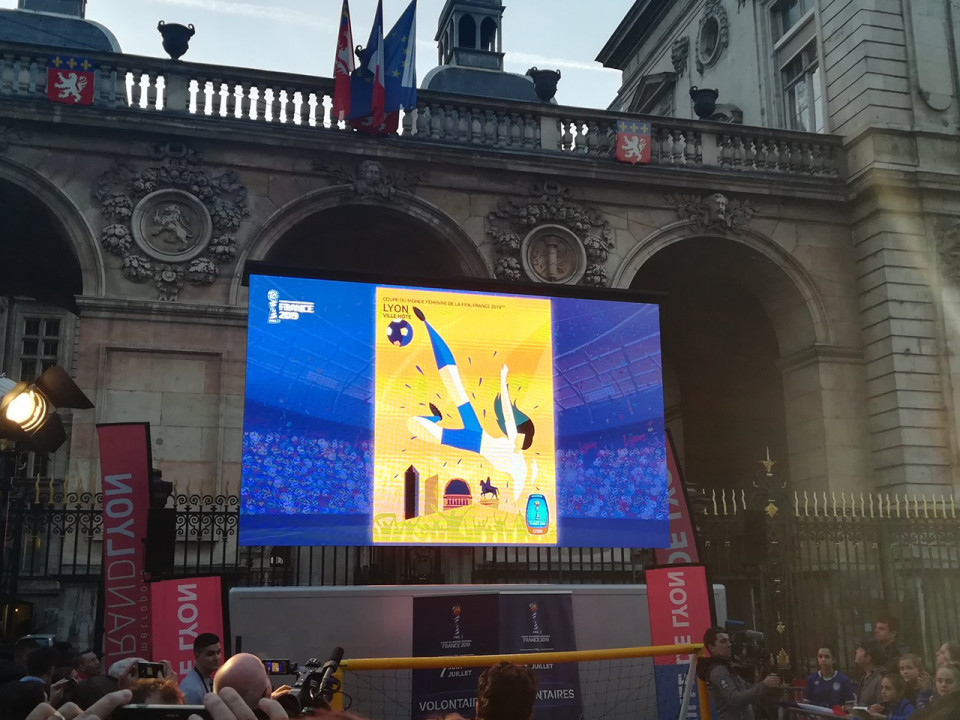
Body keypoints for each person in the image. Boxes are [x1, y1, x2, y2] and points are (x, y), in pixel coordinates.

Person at [409, 307, 537, 504]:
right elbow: (507, 413)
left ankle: (436, 418)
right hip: (476, 431)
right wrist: (503, 380)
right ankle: (427, 324)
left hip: (471, 442)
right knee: (454, 381)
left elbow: (520, 488)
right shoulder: (512, 439)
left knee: (413, 423)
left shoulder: (519, 468)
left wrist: (523, 487)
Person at [696, 627, 780, 720]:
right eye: (723, 641)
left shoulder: (727, 667)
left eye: (728, 641)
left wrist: (764, 671)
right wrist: (763, 685)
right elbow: (735, 699)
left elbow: (749, 689)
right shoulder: (718, 670)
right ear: (712, 647)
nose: (729, 644)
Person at [179, 632, 222, 704]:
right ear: (197, 656)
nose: (217, 658)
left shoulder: (204, 680)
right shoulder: (191, 690)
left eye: (218, 652)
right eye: (210, 654)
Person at [855, 640, 884, 707]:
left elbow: (881, 706)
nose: (856, 651)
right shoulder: (865, 676)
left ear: (868, 658)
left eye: (861, 650)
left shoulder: (880, 678)